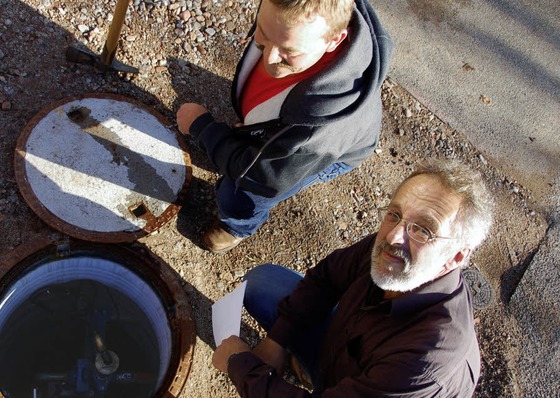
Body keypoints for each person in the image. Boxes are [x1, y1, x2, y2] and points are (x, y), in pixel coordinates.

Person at [212, 158, 495, 397]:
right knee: (261, 283)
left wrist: (241, 365)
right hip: (346, 350)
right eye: (394, 214)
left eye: (423, 230)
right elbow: (327, 277)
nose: (394, 237)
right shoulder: (396, 248)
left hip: (379, 383)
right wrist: (277, 340)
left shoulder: (425, 362)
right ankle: (315, 371)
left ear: (456, 257)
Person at [176, 0, 393, 253]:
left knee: (240, 195)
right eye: (263, 35)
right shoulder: (296, 27)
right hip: (287, 126)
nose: (269, 59)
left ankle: (237, 226)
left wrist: (203, 128)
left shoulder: (315, 134)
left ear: (335, 40)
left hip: (321, 156)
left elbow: (263, 177)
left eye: (289, 51)